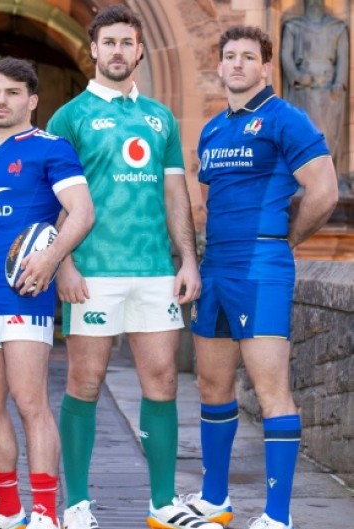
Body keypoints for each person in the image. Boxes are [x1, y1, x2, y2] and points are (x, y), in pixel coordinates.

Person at [45, 6, 209, 529]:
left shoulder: (161, 117)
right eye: (108, 42)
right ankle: (76, 505)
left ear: (140, 51)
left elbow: (175, 193)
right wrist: (62, 264)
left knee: (161, 381)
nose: (118, 51)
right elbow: (52, 203)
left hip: (154, 270)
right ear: (93, 49)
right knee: (85, 382)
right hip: (93, 272)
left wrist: (187, 259)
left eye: (126, 43)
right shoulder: (67, 118)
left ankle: (163, 505)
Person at [183, 26, 338, 529]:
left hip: (262, 267)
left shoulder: (284, 119)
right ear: (221, 65)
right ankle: (214, 500)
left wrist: (287, 240)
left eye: (248, 57)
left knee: (272, 390)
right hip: (217, 268)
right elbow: (209, 200)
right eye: (229, 56)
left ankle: (277, 515)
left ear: (265, 67)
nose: (237, 64)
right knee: (211, 385)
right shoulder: (211, 130)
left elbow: (325, 190)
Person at [0, 57, 95, 529]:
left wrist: (51, 260)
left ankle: (45, 514)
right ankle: (7, 509)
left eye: (12, 92)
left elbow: (81, 213)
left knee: (30, 400)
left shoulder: (51, 149)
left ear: (31, 100)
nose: (1, 100)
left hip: (25, 293)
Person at [281, 0, 348, 173]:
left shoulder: (337, 27)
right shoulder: (293, 26)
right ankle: (305, 175)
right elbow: (286, 56)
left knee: (327, 135)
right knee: (304, 132)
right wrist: (297, 77)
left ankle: (327, 176)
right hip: (303, 90)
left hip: (329, 91)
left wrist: (339, 83)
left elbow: (343, 60)